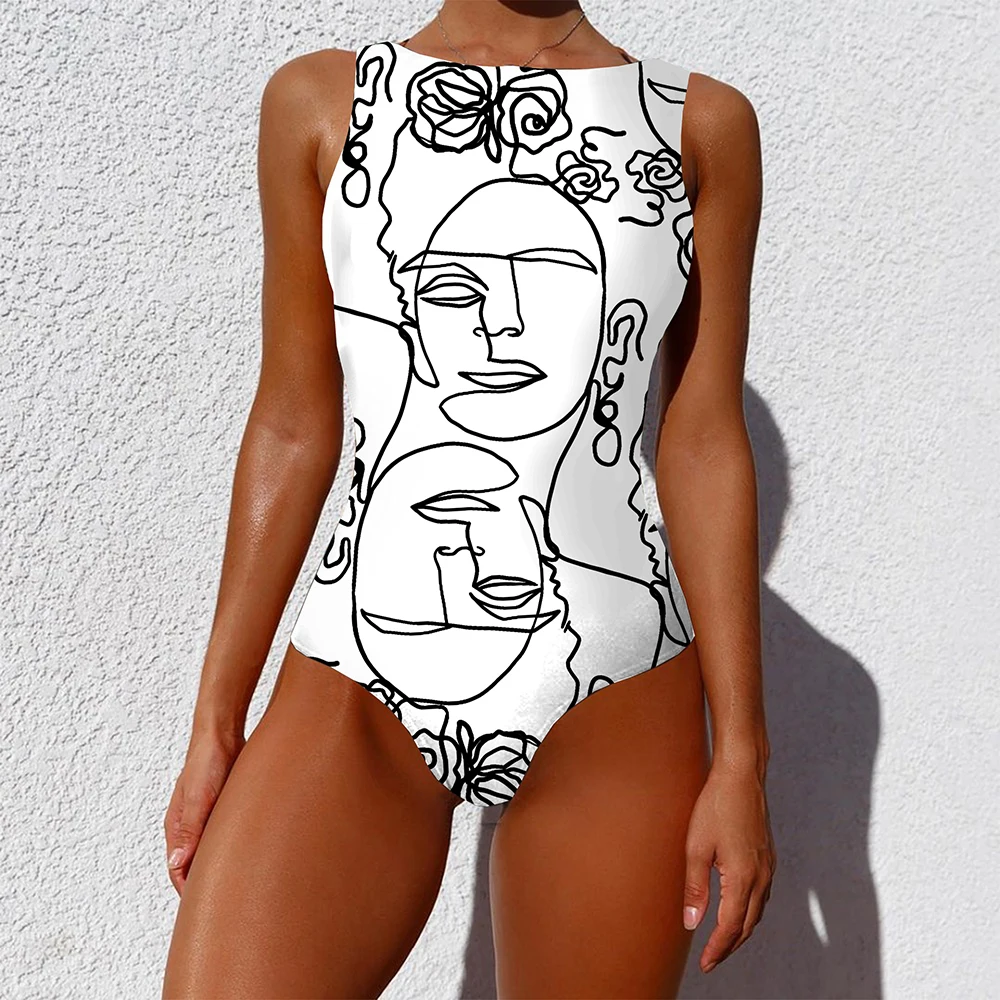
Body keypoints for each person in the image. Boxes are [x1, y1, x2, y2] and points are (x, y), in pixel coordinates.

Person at [161, 2, 776, 997]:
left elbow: (701, 439)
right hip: (358, 676)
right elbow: (292, 421)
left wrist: (742, 757)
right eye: (457, 290)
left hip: (615, 694)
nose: (502, 321)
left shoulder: (696, 124)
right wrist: (216, 722)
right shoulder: (324, 103)